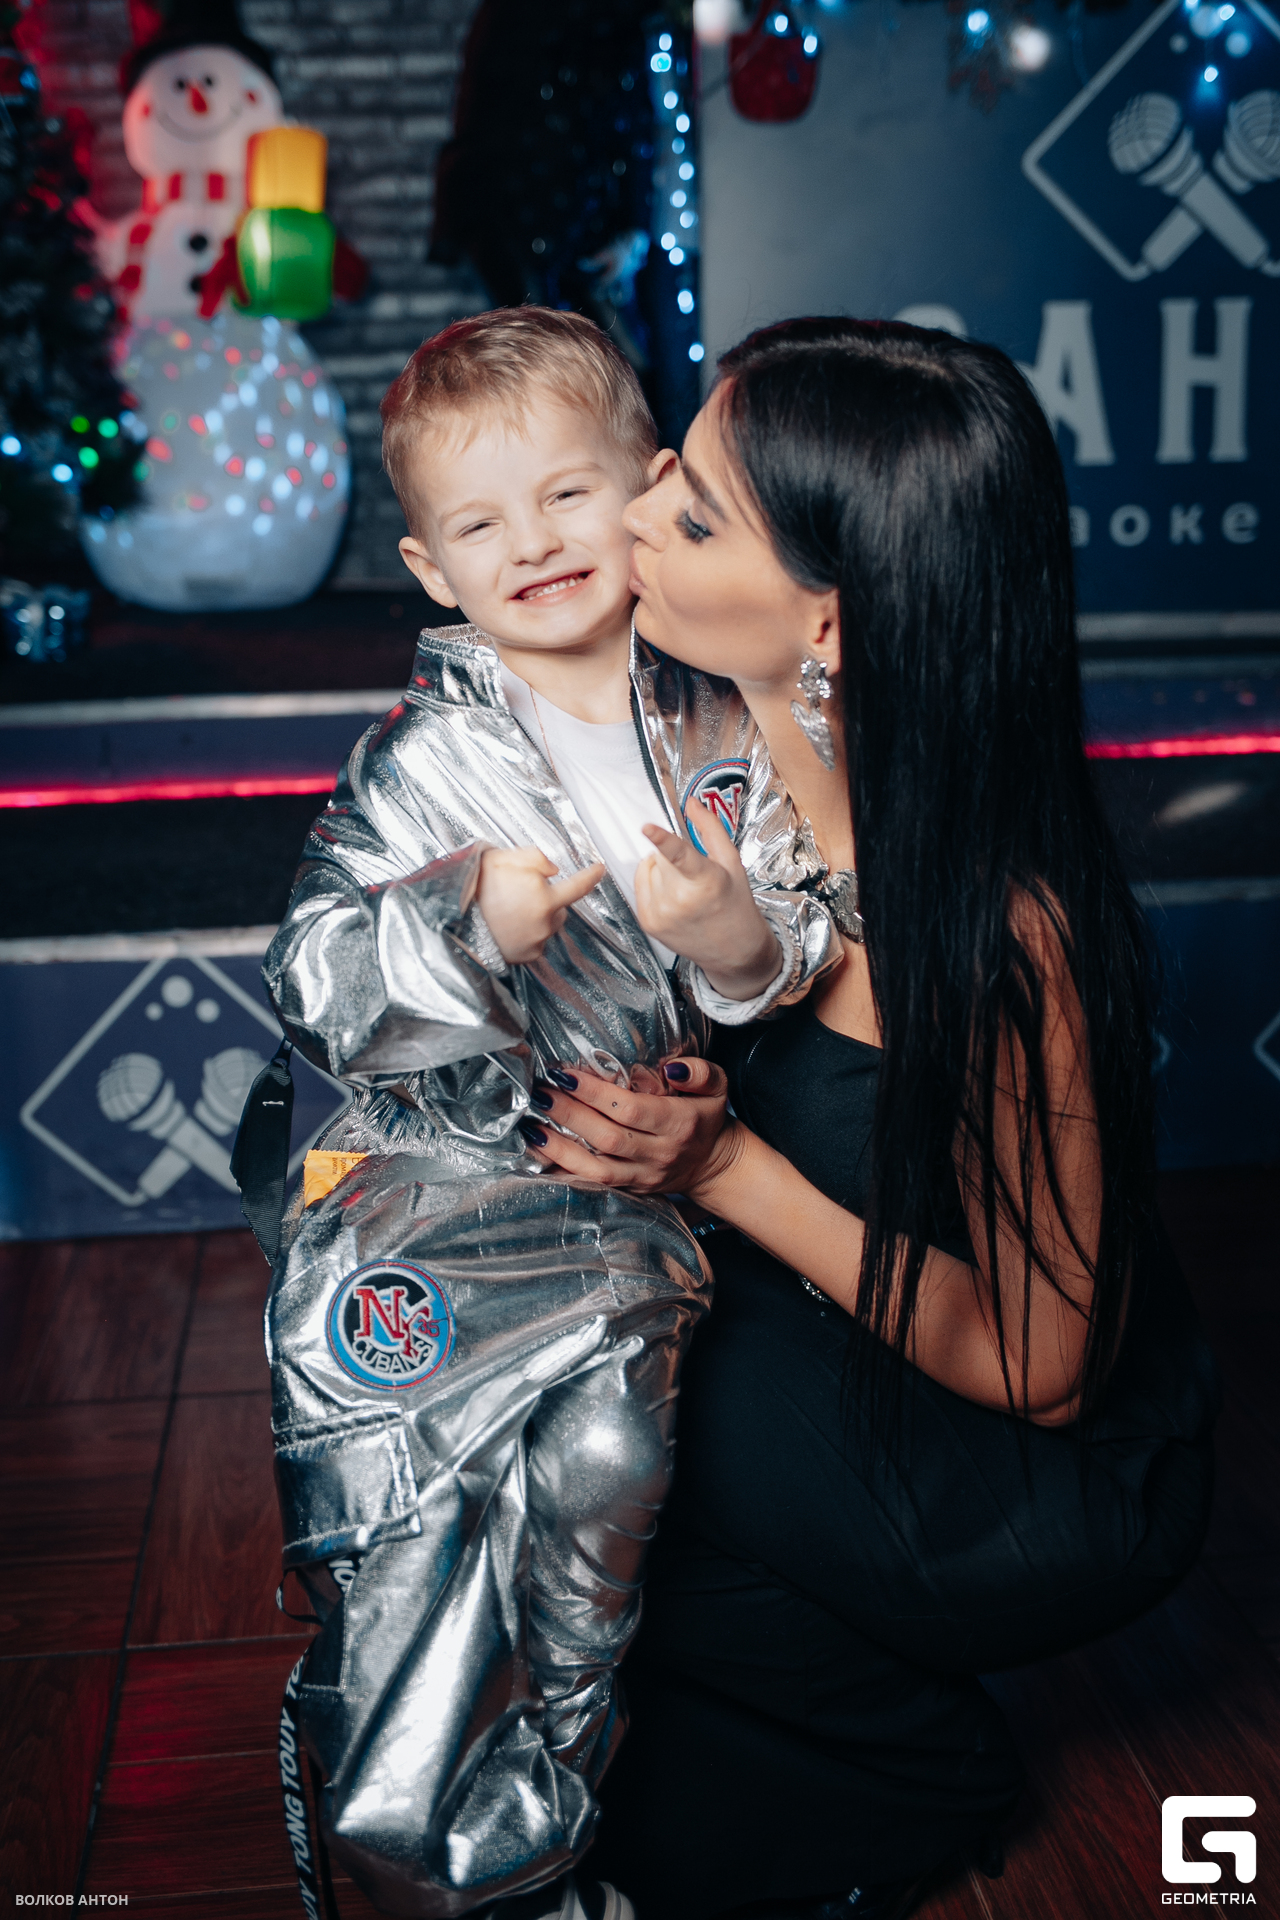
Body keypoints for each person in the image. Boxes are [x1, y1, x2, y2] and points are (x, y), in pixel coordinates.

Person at [515, 318, 1222, 1920]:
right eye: (669, 467)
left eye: (692, 514)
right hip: (856, 1330)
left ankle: (915, 1765)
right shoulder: (717, 782)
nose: (632, 515)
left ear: (824, 620)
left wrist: (723, 1164)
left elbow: (1049, 1372)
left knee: (613, 1415)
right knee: (562, 1348)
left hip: (1045, 1478)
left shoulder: (1002, 934)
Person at [260, 308, 837, 1920]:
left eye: (568, 495)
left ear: (647, 492)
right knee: (417, 1522)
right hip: (439, 1191)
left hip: (627, 1209)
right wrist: (459, 922)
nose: (531, 544)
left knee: (609, 1462)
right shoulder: (415, 766)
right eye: (481, 524)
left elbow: (802, 923)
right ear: (431, 570)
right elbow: (312, 976)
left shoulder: (732, 725)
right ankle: (418, 1851)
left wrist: (741, 946)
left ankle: (551, 1810)